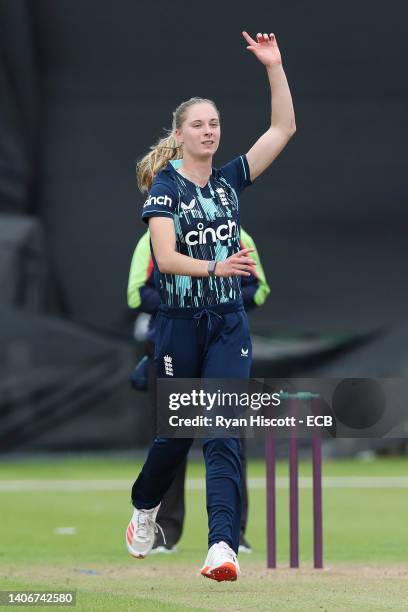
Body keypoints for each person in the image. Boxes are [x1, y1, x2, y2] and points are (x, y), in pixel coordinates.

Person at [126, 30, 295, 582]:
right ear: (179, 134)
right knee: (174, 438)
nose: (209, 131)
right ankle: (144, 507)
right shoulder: (164, 190)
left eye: (214, 123)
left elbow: (282, 129)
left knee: (222, 429)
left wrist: (273, 66)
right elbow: (167, 258)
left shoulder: (227, 183)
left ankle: (221, 546)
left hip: (227, 325)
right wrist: (217, 267)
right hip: (178, 328)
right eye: (198, 123)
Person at [127, 225, 270, 554]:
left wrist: (219, 298)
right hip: (170, 346)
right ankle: (163, 531)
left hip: (221, 346)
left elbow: (259, 290)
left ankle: (233, 533)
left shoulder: (236, 234)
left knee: (227, 436)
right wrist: (187, 300)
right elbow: (137, 294)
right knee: (172, 437)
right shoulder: (155, 235)